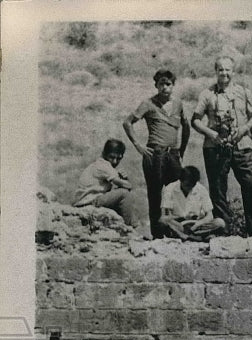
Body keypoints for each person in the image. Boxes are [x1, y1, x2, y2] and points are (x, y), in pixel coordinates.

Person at [191, 55, 252, 236]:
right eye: (220, 69)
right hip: (215, 148)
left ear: (233, 71)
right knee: (218, 189)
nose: (224, 73)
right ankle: (224, 231)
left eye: (227, 70)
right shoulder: (206, 94)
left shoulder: (244, 92)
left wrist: (244, 128)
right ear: (216, 71)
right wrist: (212, 134)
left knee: (250, 184)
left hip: (242, 146)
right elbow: (196, 121)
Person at [123, 69, 189, 238]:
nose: (165, 87)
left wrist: (180, 150)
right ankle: (158, 236)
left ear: (173, 85)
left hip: (172, 155)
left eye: (168, 84)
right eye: (161, 84)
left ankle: (175, 232)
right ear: (156, 85)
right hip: (155, 154)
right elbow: (128, 122)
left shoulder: (178, 104)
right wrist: (138, 146)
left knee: (176, 193)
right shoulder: (148, 103)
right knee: (155, 195)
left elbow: (186, 126)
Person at [73, 139, 135, 226]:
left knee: (119, 195)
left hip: (88, 201)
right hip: (87, 202)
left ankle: (127, 225)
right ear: (104, 154)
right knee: (124, 194)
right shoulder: (103, 165)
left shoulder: (101, 164)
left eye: (118, 158)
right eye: (112, 157)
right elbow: (127, 186)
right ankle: (130, 227)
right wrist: (126, 179)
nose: (115, 161)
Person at [158, 166, 226, 241]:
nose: (190, 188)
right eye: (187, 185)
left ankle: (187, 237)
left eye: (192, 185)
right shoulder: (170, 189)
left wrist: (197, 224)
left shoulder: (201, 189)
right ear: (181, 180)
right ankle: (194, 237)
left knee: (220, 223)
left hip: (197, 224)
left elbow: (210, 215)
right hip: (179, 225)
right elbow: (166, 215)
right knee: (163, 221)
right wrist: (179, 220)